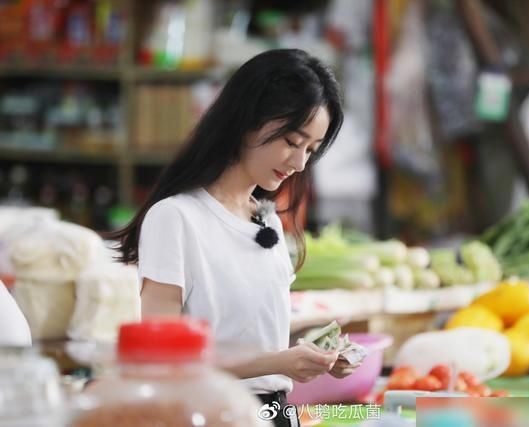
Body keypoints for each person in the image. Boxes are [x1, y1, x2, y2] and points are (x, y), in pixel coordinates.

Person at [111, 49, 359, 427]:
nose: (300, 164)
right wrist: (279, 362)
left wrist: (315, 355)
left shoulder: (268, 220)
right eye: (293, 141)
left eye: (311, 149)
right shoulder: (175, 217)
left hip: (275, 414)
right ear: (247, 120)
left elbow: (255, 334)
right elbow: (160, 359)